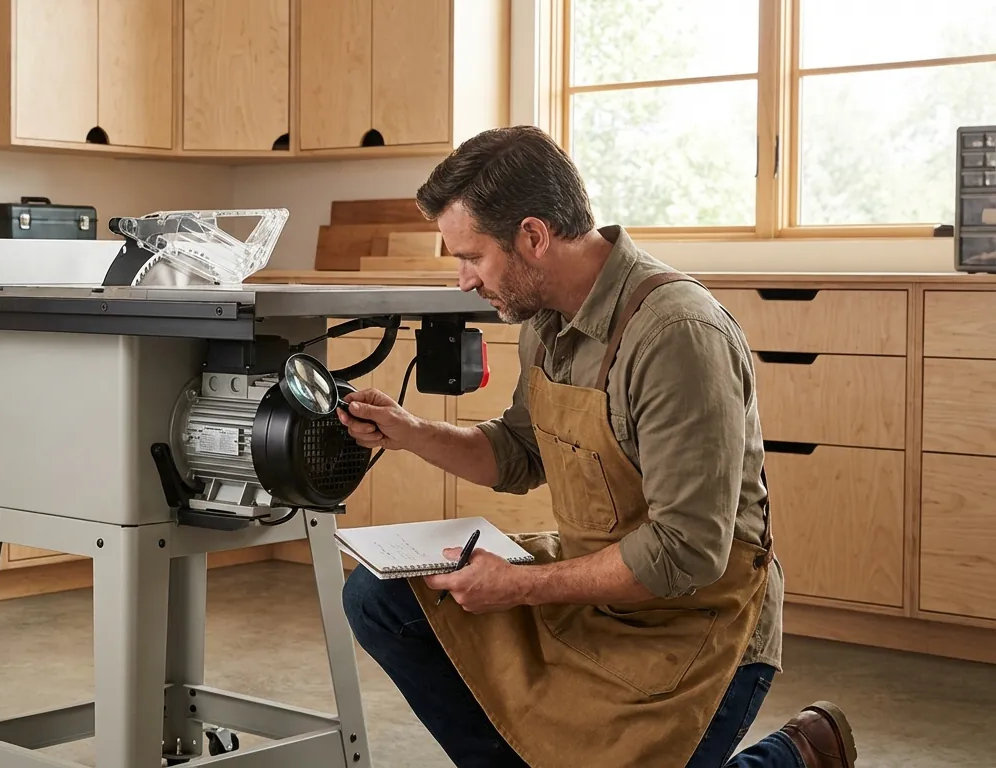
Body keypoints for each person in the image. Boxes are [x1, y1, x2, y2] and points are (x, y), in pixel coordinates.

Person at [336, 125, 860, 768]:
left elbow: (686, 552)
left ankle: (796, 756)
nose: (464, 280)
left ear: (533, 236)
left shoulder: (676, 335)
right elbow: (519, 453)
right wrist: (412, 433)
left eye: (471, 256)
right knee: (380, 597)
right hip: (592, 587)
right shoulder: (544, 322)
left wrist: (519, 587)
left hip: (695, 623)